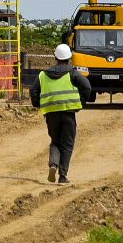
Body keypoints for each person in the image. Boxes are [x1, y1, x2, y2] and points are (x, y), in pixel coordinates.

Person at [28, 42, 94, 185]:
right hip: (68, 112)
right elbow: (87, 87)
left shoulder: (43, 75)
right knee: (68, 144)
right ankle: (62, 176)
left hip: (51, 114)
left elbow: (33, 91)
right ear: (69, 58)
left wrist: (38, 104)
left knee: (55, 141)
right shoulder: (72, 73)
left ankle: (53, 164)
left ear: (55, 57)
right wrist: (80, 102)